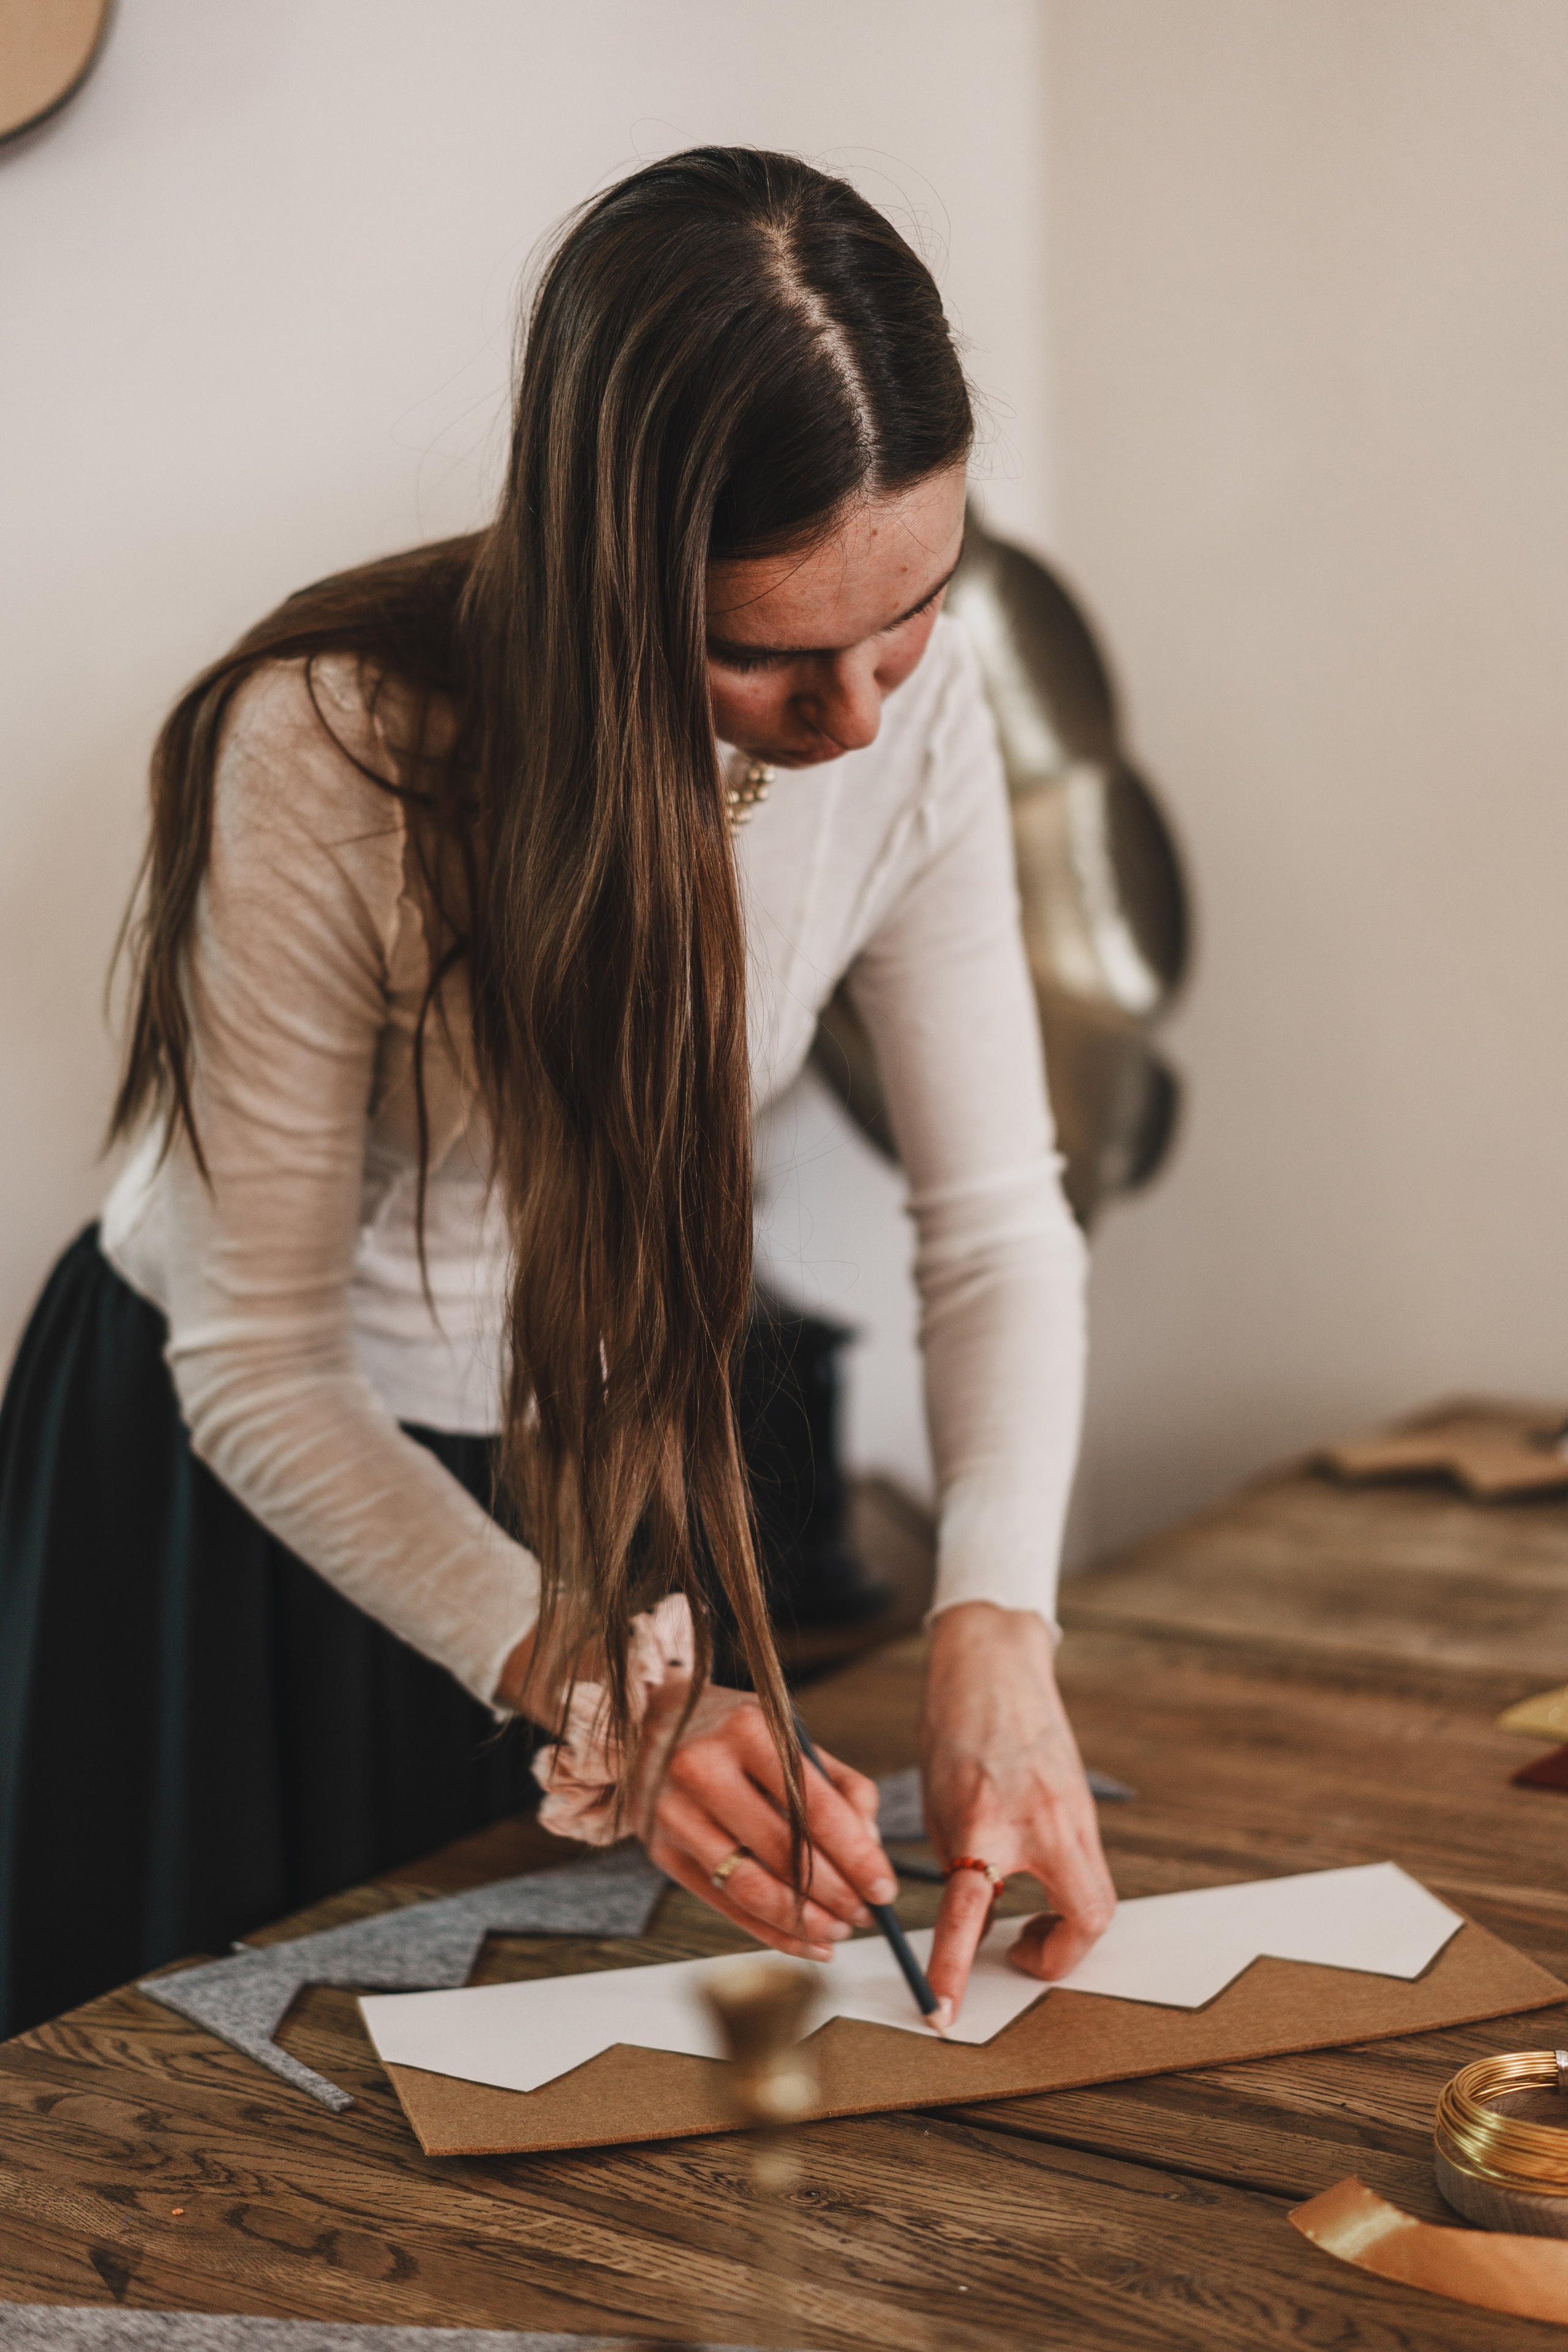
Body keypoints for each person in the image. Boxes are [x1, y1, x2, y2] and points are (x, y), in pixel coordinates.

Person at [0, 148, 1115, 2041]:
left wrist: (996, 1627)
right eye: (766, 657)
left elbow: (997, 1218)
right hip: (235, 1489)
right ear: (615, 583)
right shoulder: (328, 749)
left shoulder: (913, 707)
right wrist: (599, 1679)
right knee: (199, 2147)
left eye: (910, 611)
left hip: (578, 1461)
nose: (860, 715)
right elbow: (258, 1359)